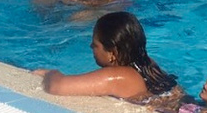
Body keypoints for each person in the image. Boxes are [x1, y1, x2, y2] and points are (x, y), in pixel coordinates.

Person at [34, 11, 179, 100]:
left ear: (112, 53)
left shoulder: (119, 76)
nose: (91, 46)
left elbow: (57, 87)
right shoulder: (147, 64)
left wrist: (50, 73)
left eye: (95, 45)